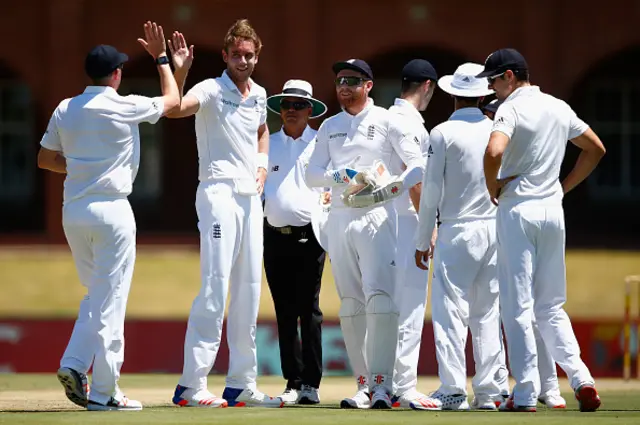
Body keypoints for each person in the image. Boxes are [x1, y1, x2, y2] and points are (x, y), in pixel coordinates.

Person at [37, 21, 180, 411]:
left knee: (97, 297)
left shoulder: (66, 107)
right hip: (112, 211)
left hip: (74, 211)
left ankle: (74, 363)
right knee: (111, 300)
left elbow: (45, 159)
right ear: (116, 74)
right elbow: (171, 100)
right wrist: (163, 59)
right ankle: (105, 392)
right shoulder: (123, 103)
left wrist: (84, 167)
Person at [478, 48, 606, 412]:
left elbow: (492, 151)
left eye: (493, 78)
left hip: (517, 209)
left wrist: (493, 187)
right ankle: (581, 378)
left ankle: (524, 393)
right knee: (550, 306)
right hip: (553, 211)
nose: (491, 86)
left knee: (517, 307)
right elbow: (595, 149)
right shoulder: (558, 106)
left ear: (510, 76)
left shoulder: (511, 108)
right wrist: (562, 188)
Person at [166, 20, 282, 408]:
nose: (243, 61)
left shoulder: (261, 93)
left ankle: (241, 383)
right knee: (215, 286)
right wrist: (178, 71)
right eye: (237, 55)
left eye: (249, 55)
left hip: (251, 195)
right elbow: (176, 109)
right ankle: (190, 385)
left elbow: (263, 129)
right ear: (225, 55)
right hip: (218, 192)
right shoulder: (212, 89)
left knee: (249, 288)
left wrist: (263, 164)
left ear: (257, 55)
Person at [305, 59, 425, 409]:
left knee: (381, 300)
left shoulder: (388, 120)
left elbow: (418, 165)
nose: (344, 86)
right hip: (340, 216)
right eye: (340, 80)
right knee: (350, 305)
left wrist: (388, 190)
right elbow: (313, 176)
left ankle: (383, 386)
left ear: (368, 85)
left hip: (376, 216)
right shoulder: (330, 125)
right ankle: (362, 386)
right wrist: (345, 176)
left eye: (353, 81)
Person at [413, 63, 502, 411]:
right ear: (483, 95)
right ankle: (490, 392)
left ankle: (452, 388)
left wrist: (423, 239)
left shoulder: (442, 133)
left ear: (452, 94)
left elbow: (431, 190)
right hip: (494, 229)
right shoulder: (497, 128)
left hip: (457, 228)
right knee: (487, 313)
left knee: (451, 312)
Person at [484, 96, 567, 410]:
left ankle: (540, 388)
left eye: (492, 113)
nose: (491, 118)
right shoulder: (502, 142)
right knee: (527, 312)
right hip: (503, 231)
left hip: (511, 229)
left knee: (523, 312)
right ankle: (540, 387)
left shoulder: (511, 144)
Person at [262, 79, 328, 405]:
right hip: (273, 235)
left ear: (310, 110)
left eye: (299, 105)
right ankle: (292, 381)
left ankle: (311, 384)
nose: (291, 110)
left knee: (308, 309)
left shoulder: (321, 142)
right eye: (287, 104)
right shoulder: (267, 142)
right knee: (283, 311)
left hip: (308, 234)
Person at [386, 59, 436, 408]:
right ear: (427, 87)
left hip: (384, 222)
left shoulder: (387, 117)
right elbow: (416, 176)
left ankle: (383, 383)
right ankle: (403, 386)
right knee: (411, 307)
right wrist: (427, 228)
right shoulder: (409, 124)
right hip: (407, 221)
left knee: (388, 307)